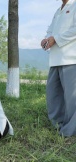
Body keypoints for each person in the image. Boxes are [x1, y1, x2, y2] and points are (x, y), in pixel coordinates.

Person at [40, 0, 76, 136]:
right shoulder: (58, 10)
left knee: (72, 98)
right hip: (55, 59)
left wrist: (56, 38)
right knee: (53, 95)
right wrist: (46, 39)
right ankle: (58, 125)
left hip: (71, 58)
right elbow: (51, 30)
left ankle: (70, 131)